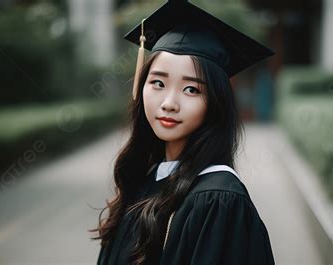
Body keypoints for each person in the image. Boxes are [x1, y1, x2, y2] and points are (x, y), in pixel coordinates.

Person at [92, 1, 275, 264]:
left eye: (191, 89)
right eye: (158, 83)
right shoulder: (145, 180)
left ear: (216, 102)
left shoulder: (218, 201)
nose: (169, 103)